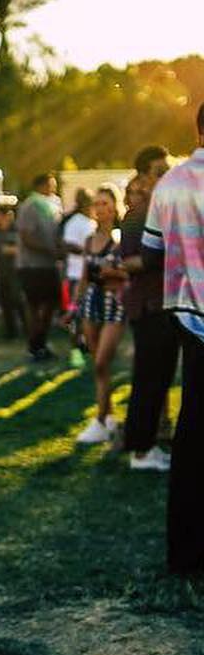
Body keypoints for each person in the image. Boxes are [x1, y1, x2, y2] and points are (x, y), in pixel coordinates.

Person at [142, 105, 204, 574]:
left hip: (188, 316)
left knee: (192, 429)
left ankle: (184, 553)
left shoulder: (170, 183)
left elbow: (151, 252)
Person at [120, 171, 177, 470]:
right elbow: (128, 260)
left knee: (160, 378)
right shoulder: (137, 216)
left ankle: (149, 443)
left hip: (163, 305)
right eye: (158, 170)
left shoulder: (161, 210)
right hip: (148, 307)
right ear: (143, 175)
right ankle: (141, 450)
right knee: (148, 379)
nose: (165, 176)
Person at [74, 185, 127, 444]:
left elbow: (129, 274)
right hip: (91, 303)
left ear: (115, 207)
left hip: (113, 303)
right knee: (98, 366)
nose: (100, 208)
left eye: (105, 203)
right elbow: (84, 278)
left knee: (102, 362)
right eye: (97, 204)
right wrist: (73, 308)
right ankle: (107, 418)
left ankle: (100, 418)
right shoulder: (88, 240)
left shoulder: (120, 240)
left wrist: (113, 274)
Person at [17, 172, 62, 360]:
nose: (54, 187)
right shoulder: (30, 205)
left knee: (51, 304)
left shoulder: (52, 204)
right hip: (32, 265)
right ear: (41, 185)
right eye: (51, 183)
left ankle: (41, 342)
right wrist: (49, 250)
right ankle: (34, 345)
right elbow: (26, 236)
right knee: (35, 306)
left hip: (48, 265)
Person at [0, 204, 24, 339]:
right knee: (4, 300)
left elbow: (23, 248)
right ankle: (10, 331)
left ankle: (26, 328)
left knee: (18, 300)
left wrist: (10, 250)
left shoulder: (17, 229)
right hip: (1, 270)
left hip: (16, 270)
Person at [60, 189, 96, 305]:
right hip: (75, 275)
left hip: (89, 276)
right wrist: (89, 252)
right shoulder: (74, 222)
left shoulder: (91, 222)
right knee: (76, 310)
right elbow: (67, 245)